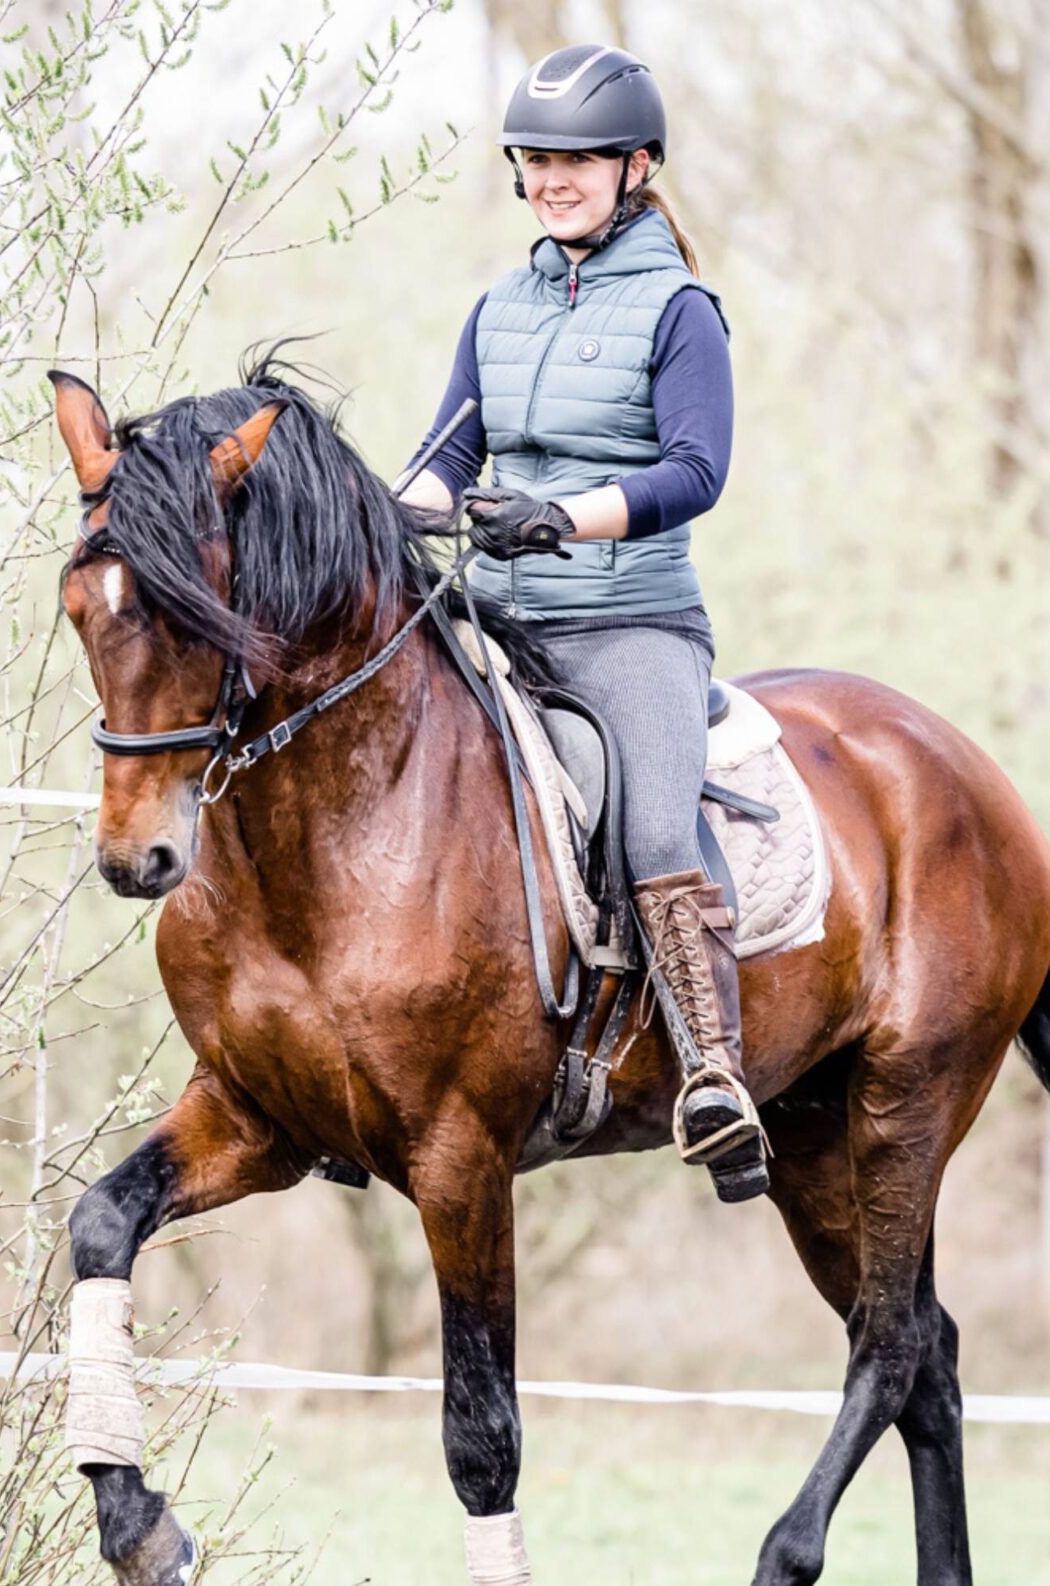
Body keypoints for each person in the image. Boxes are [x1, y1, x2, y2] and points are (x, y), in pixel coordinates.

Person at [400, 43, 766, 1202]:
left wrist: (561, 519)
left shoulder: (679, 308)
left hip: (630, 622)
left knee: (655, 826)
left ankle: (712, 1070)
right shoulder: (498, 308)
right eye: (536, 158)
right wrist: (367, 511)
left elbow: (695, 471)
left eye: (577, 158)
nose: (551, 176)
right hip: (500, 612)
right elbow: (446, 460)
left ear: (635, 165)